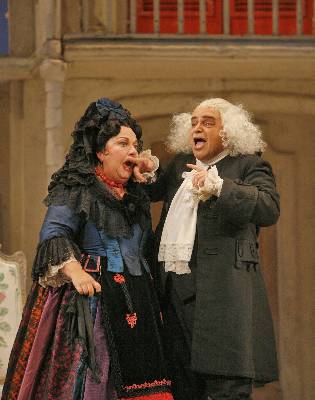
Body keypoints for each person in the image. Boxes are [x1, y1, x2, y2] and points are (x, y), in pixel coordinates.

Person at [1, 98, 173, 400]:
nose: (133, 151)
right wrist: (75, 270)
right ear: (99, 151)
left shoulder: (135, 194)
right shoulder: (76, 186)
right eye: (123, 143)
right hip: (91, 301)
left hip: (137, 300)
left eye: (136, 145)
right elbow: (53, 234)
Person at [145, 98, 280, 400]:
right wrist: (144, 169)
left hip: (222, 296)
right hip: (174, 293)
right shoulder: (180, 165)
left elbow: (269, 208)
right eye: (193, 122)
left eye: (208, 122)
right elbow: (149, 191)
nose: (197, 128)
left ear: (227, 132)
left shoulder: (248, 165)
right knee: (180, 385)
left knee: (226, 386)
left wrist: (220, 187)